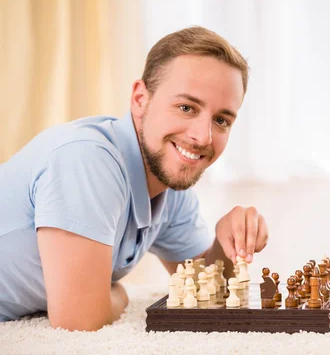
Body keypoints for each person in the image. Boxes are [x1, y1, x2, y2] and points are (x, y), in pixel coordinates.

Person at [0, 26, 269, 330]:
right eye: (186, 107)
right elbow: (80, 322)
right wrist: (119, 294)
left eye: (221, 120)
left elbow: (201, 293)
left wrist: (224, 240)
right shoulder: (88, 160)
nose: (202, 136)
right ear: (140, 99)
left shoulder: (170, 188)